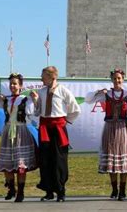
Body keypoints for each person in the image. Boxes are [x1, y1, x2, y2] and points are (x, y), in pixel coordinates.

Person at [0, 73, 38, 202]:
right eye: (11, 83)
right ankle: (11, 189)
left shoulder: (25, 99)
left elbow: (31, 112)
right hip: (8, 131)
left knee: (20, 163)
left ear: (20, 86)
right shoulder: (6, 99)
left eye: (15, 83)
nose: (13, 86)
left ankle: (21, 192)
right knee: (7, 162)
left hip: (21, 131)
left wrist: (33, 99)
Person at [85, 69, 127, 201]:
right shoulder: (107, 94)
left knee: (122, 161)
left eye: (119, 78)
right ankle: (114, 189)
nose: (117, 81)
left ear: (123, 79)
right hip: (109, 128)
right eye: (115, 79)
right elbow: (88, 100)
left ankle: (123, 191)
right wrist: (98, 92)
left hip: (122, 129)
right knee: (111, 160)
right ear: (112, 80)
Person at [30, 66, 81, 202]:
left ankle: (60, 190)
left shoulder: (63, 91)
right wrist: (35, 101)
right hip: (45, 127)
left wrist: (65, 121)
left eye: (44, 76)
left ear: (52, 77)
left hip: (58, 127)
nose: (41, 78)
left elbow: (75, 109)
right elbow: (37, 111)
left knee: (59, 159)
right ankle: (48, 191)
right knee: (45, 159)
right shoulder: (41, 92)